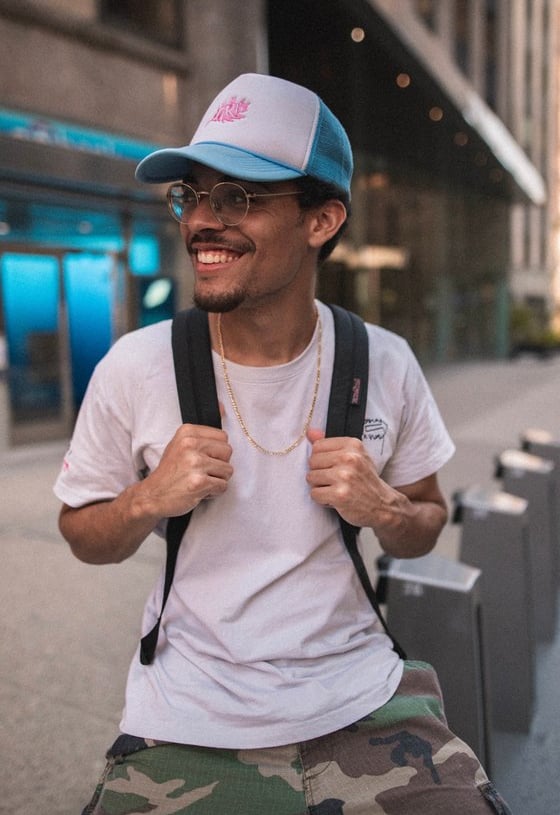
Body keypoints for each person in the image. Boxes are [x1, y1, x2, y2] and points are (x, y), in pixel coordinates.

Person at [54, 73, 511, 814]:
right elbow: (81, 532)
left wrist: (384, 507)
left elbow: (426, 521)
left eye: (237, 197)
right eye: (192, 195)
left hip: (362, 694)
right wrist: (146, 499)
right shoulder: (136, 366)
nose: (202, 221)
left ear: (321, 220)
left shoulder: (385, 361)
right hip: (186, 714)